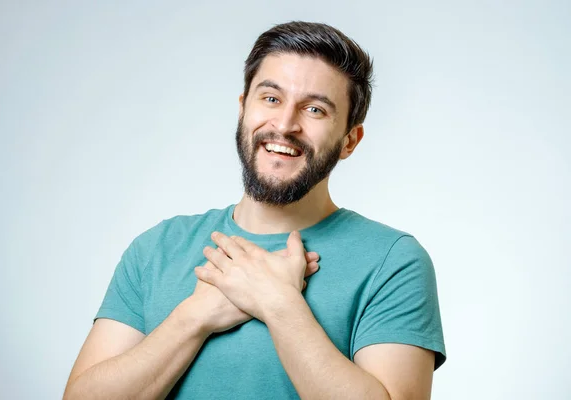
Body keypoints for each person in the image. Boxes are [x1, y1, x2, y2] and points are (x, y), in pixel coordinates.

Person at [63, 21, 446, 399]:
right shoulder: (158, 248)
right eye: (271, 98)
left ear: (349, 140)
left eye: (315, 109)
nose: (284, 124)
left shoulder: (392, 261)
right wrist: (194, 317)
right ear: (244, 108)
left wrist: (280, 305)